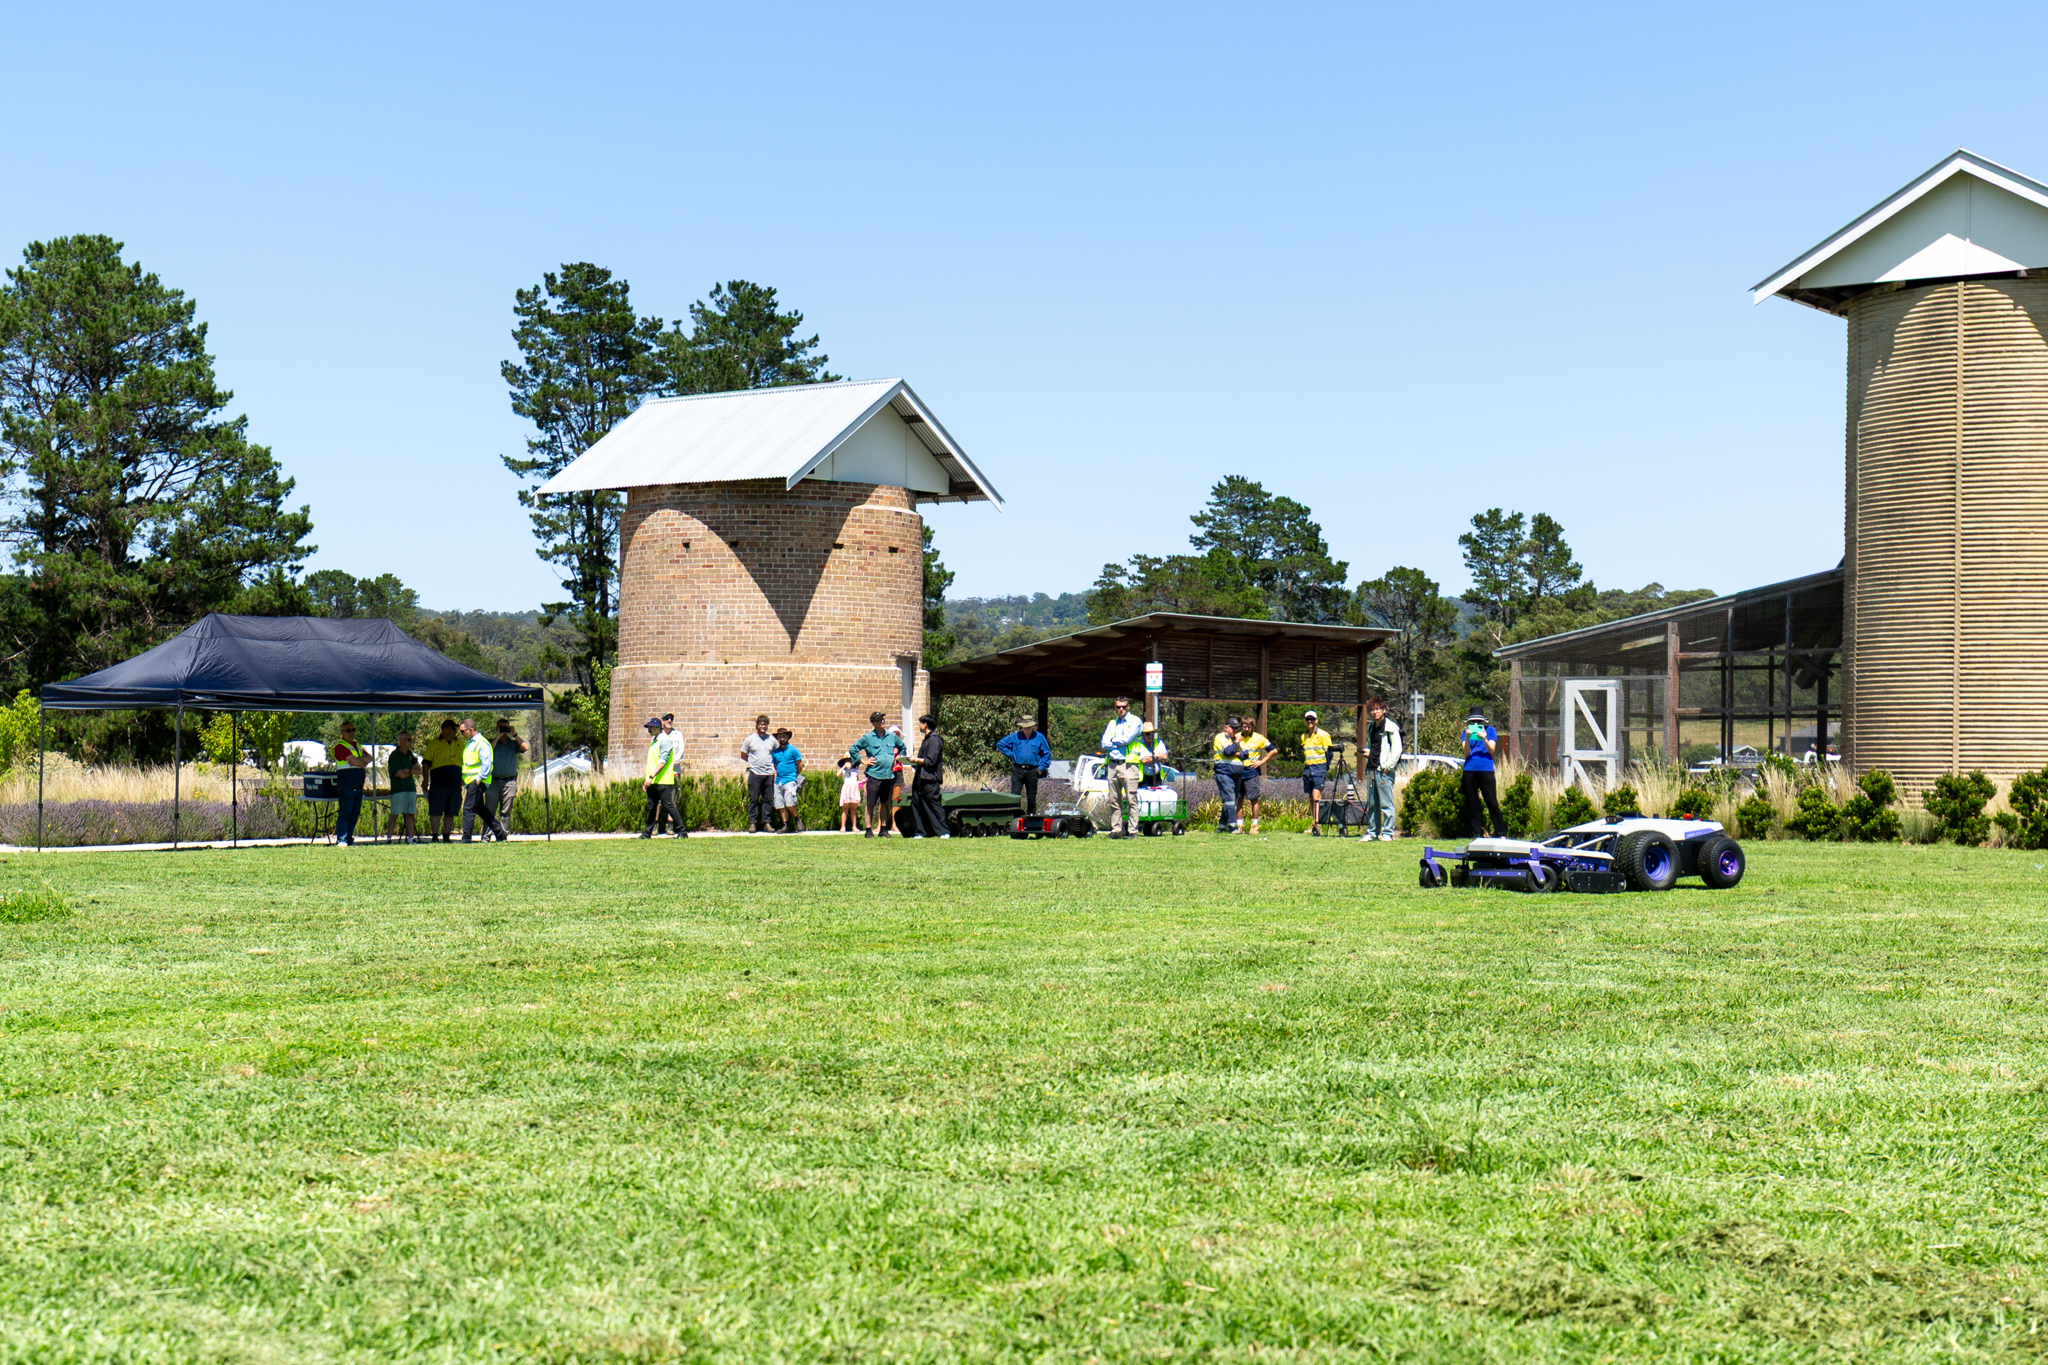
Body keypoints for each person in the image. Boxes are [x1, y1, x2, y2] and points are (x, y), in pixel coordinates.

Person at [849, 711, 907, 838]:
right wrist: (863, 761)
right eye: (879, 720)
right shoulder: (868, 738)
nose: (882, 721)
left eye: (883, 719)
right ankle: (868, 830)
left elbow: (903, 746)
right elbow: (853, 749)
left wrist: (898, 757)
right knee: (870, 803)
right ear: (873, 723)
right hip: (874, 775)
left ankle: (884, 830)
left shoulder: (891, 737)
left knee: (885, 803)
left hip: (888, 775)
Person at [1360, 697, 1403, 842]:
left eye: (1378, 709)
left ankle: (1387, 833)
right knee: (1372, 804)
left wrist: (1388, 766)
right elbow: (1375, 747)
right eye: (1372, 709)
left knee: (1386, 804)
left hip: (1384, 771)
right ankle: (1372, 833)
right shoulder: (1371, 727)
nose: (1375, 712)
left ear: (1384, 710)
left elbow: (1397, 750)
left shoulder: (1391, 728)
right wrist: (1368, 752)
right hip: (1371, 769)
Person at [1101, 696, 1144, 838]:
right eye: (1118, 707)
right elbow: (1104, 743)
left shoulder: (1135, 721)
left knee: (1131, 799)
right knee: (1114, 800)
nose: (1120, 709)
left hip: (1128, 765)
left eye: (1123, 707)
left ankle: (1132, 831)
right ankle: (1116, 830)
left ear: (1128, 707)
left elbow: (1128, 739)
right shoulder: (1112, 723)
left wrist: (1112, 742)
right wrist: (1117, 742)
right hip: (1113, 764)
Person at [459, 718, 508, 843]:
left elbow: (486, 764)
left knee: (468, 808)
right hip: (471, 781)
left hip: (477, 781)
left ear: (471, 730)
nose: (461, 734)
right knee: (480, 808)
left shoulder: (482, 743)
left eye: (462, 731)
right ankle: (499, 832)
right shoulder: (470, 743)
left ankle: (466, 837)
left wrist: (479, 779)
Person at [1461, 705, 1506, 838]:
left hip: (1486, 770)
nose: (1476, 724)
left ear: (1483, 722)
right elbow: (1466, 752)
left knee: (1491, 801)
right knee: (1473, 803)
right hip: (1470, 770)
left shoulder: (1490, 730)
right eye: (1473, 722)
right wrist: (1468, 738)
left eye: (1479, 722)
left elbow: (1492, 750)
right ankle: (1476, 834)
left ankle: (1501, 833)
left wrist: (1485, 738)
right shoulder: (1465, 733)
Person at [996, 715, 1051, 814]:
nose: (1027, 729)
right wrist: (1013, 755)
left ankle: (1031, 817)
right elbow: (1000, 744)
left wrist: (1041, 768)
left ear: (1032, 727)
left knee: (1031, 797)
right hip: (1018, 769)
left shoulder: (1039, 737)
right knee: (1015, 795)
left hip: (1033, 770)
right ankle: (1015, 817)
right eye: (1025, 727)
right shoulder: (1015, 736)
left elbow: (1047, 754)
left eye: (1029, 727)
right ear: (1021, 727)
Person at [639, 716, 683, 838]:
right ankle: (647, 833)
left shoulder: (665, 740)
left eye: (651, 727)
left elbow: (662, 761)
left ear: (658, 728)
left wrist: (651, 776)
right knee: (651, 807)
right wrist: (648, 779)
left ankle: (682, 830)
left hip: (663, 780)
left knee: (669, 806)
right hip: (654, 780)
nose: (649, 729)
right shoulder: (655, 740)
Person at [423, 718, 464, 843]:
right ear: (445, 730)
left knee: (451, 811)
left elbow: (467, 762)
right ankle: (435, 836)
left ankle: (447, 836)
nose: (456, 731)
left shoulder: (460, 744)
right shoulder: (434, 744)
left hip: (455, 783)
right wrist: (425, 780)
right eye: (453, 729)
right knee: (436, 811)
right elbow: (426, 763)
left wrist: (464, 779)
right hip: (438, 783)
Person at [905, 714, 947, 838]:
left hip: (930, 778)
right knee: (917, 804)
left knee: (933, 804)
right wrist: (912, 761)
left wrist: (916, 759)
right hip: (920, 778)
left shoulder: (935, 740)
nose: (919, 726)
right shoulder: (926, 739)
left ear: (926, 724)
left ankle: (943, 831)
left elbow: (930, 761)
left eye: (920, 723)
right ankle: (920, 832)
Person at [330, 719, 371, 846]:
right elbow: (354, 762)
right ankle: (341, 839)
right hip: (346, 784)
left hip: (358, 784)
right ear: (342, 733)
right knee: (345, 812)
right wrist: (360, 761)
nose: (352, 732)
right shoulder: (340, 747)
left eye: (353, 730)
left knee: (355, 812)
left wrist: (359, 761)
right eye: (348, 730)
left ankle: (348, 838)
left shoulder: (357, 745)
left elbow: (370, 758)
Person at [740, 715, 778, 834]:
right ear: (757, 725)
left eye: (765, 724)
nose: (763, 726)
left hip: (769, 774)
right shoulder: (750, 739)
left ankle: (766, 823)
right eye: (761, 724)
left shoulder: (772, 740)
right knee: (754, 799)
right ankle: (753, 823)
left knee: (768, 799)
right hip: (755, 773)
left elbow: (776, 755)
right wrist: (753, 763)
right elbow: (743, 754)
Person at [1210, 716, 1246, 834]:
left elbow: (1246, 754)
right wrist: (1236, 745)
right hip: (1224, 772)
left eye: (1237, 728)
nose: (1236, 730)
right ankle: (1232, 826)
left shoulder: (1238, 739)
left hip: (1236, 774)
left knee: (1232, 800)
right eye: (1233, 728)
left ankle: (1222, 826)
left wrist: (1235, 752)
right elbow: (1227, 752)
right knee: (1229, 799)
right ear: (1226, 727)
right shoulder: (1220, 737)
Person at [1238, 720, 1274, 835]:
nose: (1246, 729)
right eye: (1244, 727)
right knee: (1239, 799)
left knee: (1254, 799)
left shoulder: (1259, 738)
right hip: (1238, 771)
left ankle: (1254, 825)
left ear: (1252, 727)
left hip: (1252, 772)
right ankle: (1239, 826)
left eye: (1248, 727)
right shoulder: (1238, 737)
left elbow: (1273, 750)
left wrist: (1261, 762)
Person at [1300, 710, 1333, 834]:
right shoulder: (1303, 736)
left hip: (1319, 768)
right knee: (1310, 797)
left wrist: (1325, 767)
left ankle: (1318, 824)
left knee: (1316, 797)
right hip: (1308, 768)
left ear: (1316, 721)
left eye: (1312, 719)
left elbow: (1329, 753)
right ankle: (1314, 822)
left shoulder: (1323, 735)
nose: (1310, 721)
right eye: (1307, 719)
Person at [490, 719, 527, 831]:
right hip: (493, 781)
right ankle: (486, 836)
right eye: (501, 727)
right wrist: (498, 736)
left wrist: (514, 734)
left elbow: (525, 747)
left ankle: (503, 836)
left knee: (506, 812)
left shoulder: (513, 744)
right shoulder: (491, 742)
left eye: (506, 727)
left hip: (509, 781)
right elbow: (488, 750)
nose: (503, 730)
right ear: (497, 728)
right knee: (490, 810)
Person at [385, 732, 422, 843]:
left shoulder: (410, 754)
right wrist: (410, 771)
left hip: (410, 788)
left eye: (411, 739)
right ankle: (389, 838)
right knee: (395, 814)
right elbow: (400, 774)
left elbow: (418, 770)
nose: (411, 741)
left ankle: (411, 838)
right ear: (401, 740)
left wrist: (408, 770)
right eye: (408, 739)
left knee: (410, 814)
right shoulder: (395, 755)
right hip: (398, 789)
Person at [655, 713, 688, 835]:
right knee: (658, 799)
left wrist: (670, 763)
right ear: (662, 721)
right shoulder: (658, 735)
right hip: (660, 771)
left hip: (674, 770)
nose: (669, 721)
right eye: (666, 719)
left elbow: (681, 751)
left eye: (671, 719)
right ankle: (655, 824)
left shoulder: (677, 734)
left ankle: (670, 825)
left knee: (673, 798)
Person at [770, 726, 805, 832]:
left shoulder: (794, 750)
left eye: (784, 737)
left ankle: (796, 819)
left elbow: (799, 764)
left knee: (790, 801)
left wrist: (794, 775)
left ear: (787, 737)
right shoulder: (775, 753)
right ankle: (785, 824)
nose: (782, 739)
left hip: (790, 779)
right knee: (779, 803)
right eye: (780, 737)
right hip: (779, 780)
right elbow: (775, 766)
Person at [835, 755, 863, 832]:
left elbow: (857, 779)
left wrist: (860, 783)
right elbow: (837, 775)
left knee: (853, 808)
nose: (849, 762)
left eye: (850, 760)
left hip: (854, 789)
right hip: (846, 789)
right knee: (845, 808)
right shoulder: (844, 770)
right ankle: (843, 826)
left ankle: (854, 826)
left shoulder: (856, 771)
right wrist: (844, 766)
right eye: (847, 760)